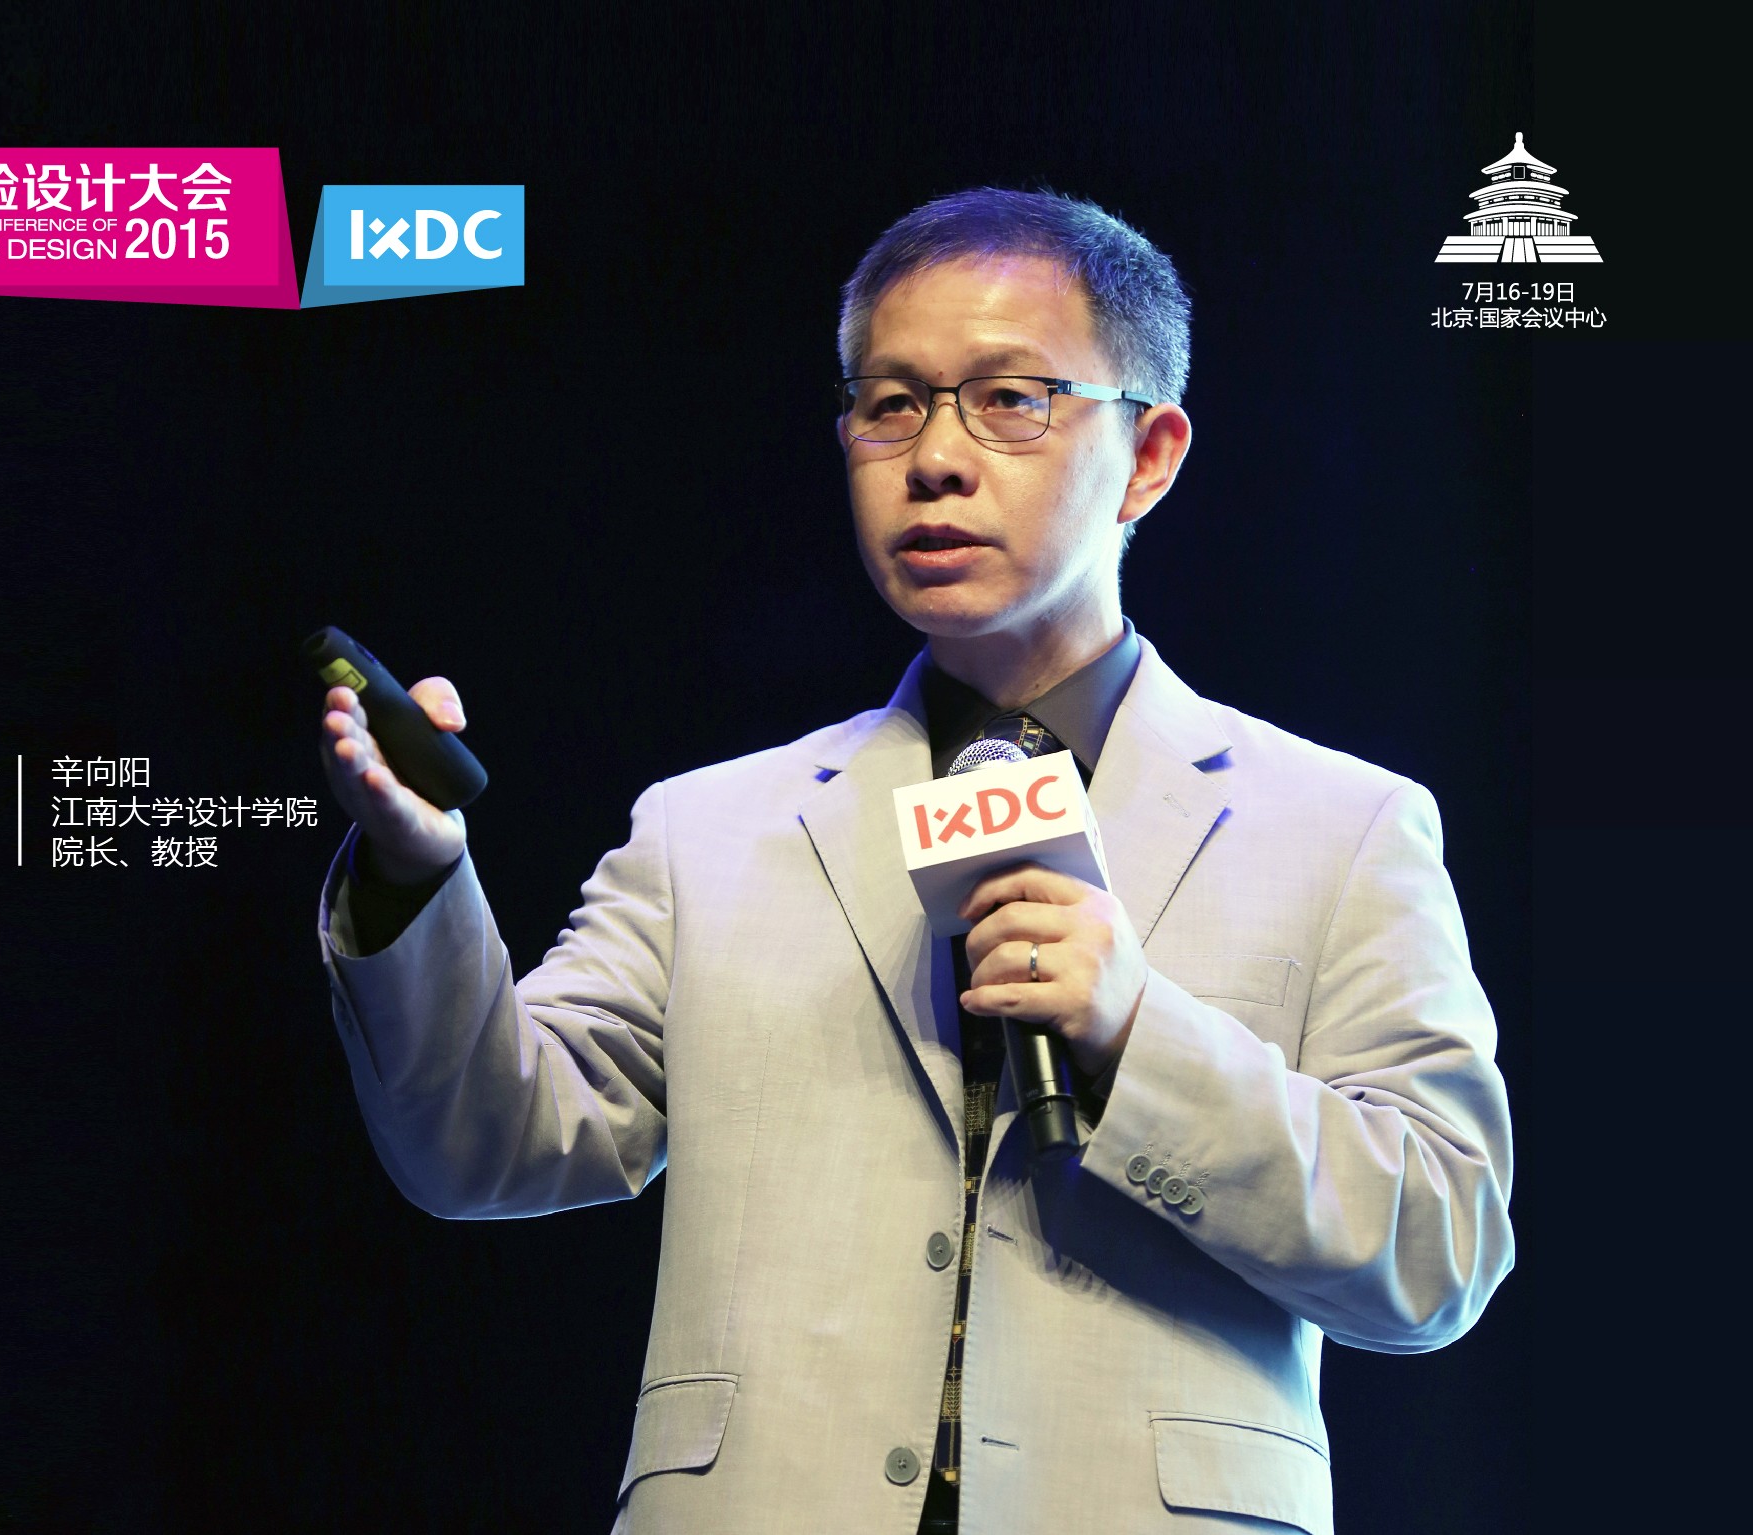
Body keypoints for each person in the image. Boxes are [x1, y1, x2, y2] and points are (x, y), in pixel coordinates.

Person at [314, 187, 1514, 1535]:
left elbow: (1437, 1253)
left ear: (1149, 455)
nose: (933, 458)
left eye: (1009, 400)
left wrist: (1140, 1036)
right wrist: (414, 873)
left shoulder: (1342, 825)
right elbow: (480, 1147)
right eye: (888, 405)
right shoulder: (708, 831)